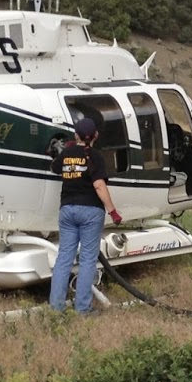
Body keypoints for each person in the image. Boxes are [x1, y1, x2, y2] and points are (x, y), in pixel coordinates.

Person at [49, 116, 122, 313]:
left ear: (76, 134)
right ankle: (82, 308)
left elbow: (54, 167)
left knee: (64, 257)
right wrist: (113, 211)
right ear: (96, 135)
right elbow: (99, 185)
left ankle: (56, 308)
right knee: (88, 260)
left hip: (67, 211)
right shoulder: (96, 157)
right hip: (90, 212)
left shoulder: (66, 153)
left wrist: (62, 152)